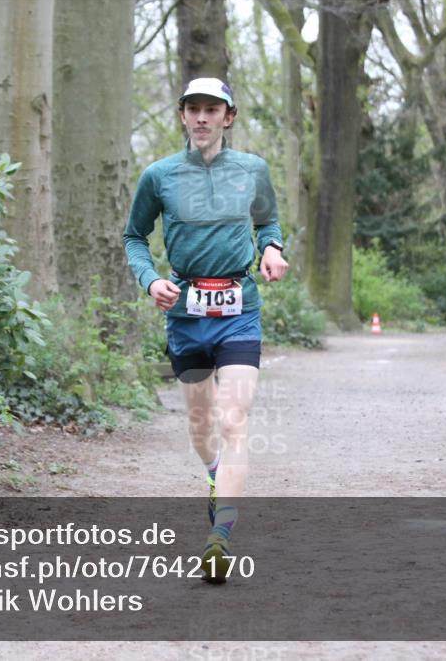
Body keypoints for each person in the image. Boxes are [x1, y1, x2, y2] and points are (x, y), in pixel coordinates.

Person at [123, 77, 288, 583]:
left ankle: (221, 536)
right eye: (192, 109)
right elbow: (134, 237)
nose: (201, 118)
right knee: (201, 429)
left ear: (228, 117)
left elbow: (269, 223)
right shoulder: (159, 176)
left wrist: (272, 249)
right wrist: (151, 281)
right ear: (182, 116)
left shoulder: (252, 170)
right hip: (187, 311)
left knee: (233, 418)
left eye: (211, 110)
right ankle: (215, 478)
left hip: (239, 306)